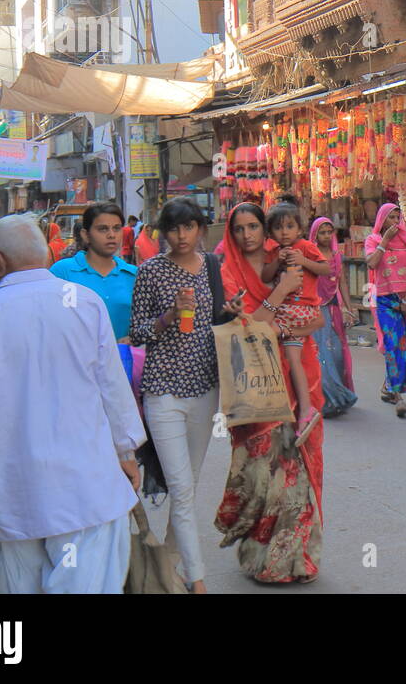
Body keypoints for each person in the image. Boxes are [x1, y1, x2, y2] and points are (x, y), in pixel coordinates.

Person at [0, 216, 145, 594]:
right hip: (85, 491)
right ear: (46, 252)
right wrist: (125, 451)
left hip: (14, 495)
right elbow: (112, 385)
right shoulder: (84, 303)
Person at [129, 198, 243, 593]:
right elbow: (138, 332)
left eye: (189, 227)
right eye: (174, 229)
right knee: (180, 489)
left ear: (200, 229)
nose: (181, 236)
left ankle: (173, 563)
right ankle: (197, 581)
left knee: (187, 487)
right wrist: (168, 317)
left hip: (204, 388)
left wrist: (231, 310)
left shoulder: (212, 266)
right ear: (163, 232)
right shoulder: (150, 272)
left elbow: (217, 322)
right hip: (162, 390)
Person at [216, 202, 326, 583]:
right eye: (239, 228)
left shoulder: (285, 256)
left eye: (253, 227)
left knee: (295, 474)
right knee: (264, 477)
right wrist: (279, 294)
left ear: (265, 229)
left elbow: (317, 316)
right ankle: (262, 561)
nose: (247, 235)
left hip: (297, 379)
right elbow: (247, 327)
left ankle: (298, 560)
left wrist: (290, 324)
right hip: (256, 387)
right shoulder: (228, 271)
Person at [260, 203, 329, 443]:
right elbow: (265, 277)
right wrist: (276, 263)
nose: (285, 232)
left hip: (300, 310)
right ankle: (305, 410)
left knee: (262, 330)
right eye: (278, 228)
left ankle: (301, 409)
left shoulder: (306, 247)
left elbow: (326, 268)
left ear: (300, 229)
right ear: (270, 233)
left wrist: (303, 260)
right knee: (293, 361)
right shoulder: (275, 252)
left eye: (290, 226)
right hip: (289, 313)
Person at [363, 202, 406, 417]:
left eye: (398, 218)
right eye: (391, 217)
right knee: (392, 345)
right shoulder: (373, 240)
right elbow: (371, 264)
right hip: (383, 299)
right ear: (382, 221)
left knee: (404, 345)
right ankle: (398, 396)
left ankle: (387, 387)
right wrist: (386, 241)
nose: (395, 222)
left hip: (404, 299)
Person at [50, 203, 137, 343]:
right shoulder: (63, 272)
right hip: (76, 360)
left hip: (122, 361)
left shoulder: (133, 275)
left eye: (116, 228)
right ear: (86, 235)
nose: (111, 235)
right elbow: (52, 322)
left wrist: (134, 339)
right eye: (103, 229)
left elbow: (146, 323)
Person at [309, 216, 358, 417]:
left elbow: (342, 282)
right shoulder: (310, 254)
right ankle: (327, 401)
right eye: (323, 232)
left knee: (338, 352)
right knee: (323, 354)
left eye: (330, 232)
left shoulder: (337, 254)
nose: (327, 236)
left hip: (334, 308)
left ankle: (339, 395)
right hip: (316, 309)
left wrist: (349, 307)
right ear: (315, 234)